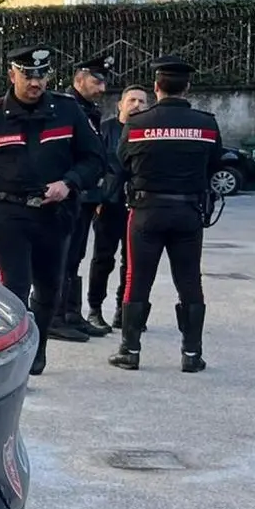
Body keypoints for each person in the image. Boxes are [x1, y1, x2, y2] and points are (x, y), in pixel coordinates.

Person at [0, 44, 103, 375]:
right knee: (14, 288)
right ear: (12, 75)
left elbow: (95, 159)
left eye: (41, 75)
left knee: (50, 286)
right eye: (27, 76)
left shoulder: (68, 112)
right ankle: (14, 353)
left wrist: (69, 182)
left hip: (56, 215)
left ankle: (37, 351)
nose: (35, 83)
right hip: (10, 216)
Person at [109, 57, 223, 373]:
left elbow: (122, 164)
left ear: (156, 87)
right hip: (187, 211)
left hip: (146, 211)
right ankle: (191, 354)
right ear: (187, 87)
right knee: (189, 280)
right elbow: (214, 164)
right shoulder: (206, 124)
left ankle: (130, 350)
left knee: (137, 280)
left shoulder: (136, 124)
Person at [56, 53, 115, 337]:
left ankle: (70, 312)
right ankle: (55, 316)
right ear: (78, 79)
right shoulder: (67, 107)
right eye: (97, 81)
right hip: (69, 192)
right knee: (63, 254)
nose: (102, 89)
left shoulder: (86, 108)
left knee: (76, 254)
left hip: (86, 194)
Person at [87, 85, 151, 334]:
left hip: (139, 206)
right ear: (120, 105)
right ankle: (94, 309)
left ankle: (124, 311)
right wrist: (99, 198)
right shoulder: (104, 130)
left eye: (142, 101)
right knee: (103, 259)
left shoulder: (149, 132)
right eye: (132, 100)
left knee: (133, 262)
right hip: (109, 205)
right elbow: (94, 165)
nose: (137, 105)